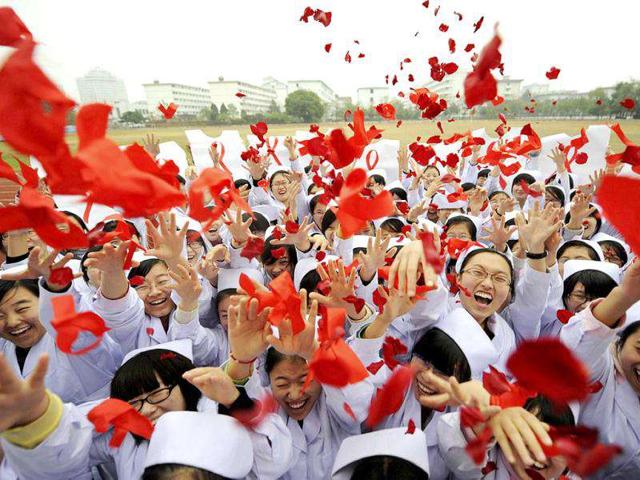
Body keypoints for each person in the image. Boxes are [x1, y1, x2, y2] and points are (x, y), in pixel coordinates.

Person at [0, 340, 293, 480]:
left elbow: (272, 461)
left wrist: (235, 400)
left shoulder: (219, 417)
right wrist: (35, 418)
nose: (148, 409)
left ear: (186, 386)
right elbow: (61, 459)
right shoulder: (123, 435)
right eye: (134, 401)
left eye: (156, 394)